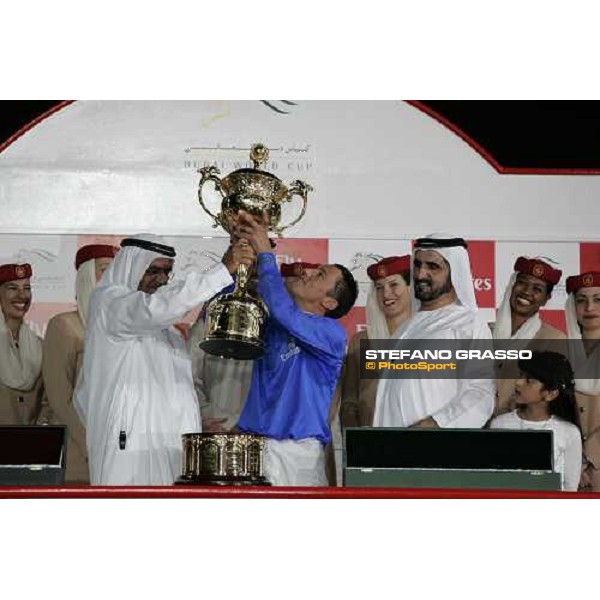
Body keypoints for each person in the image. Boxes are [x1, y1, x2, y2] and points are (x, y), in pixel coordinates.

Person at [73, 233, 252, 485]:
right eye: (153, 270)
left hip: (170, 447)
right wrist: (221, 271)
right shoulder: (110, 303)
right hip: (129, 446)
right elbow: (157, 308)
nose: (162, 279)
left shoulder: (167, 332)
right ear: (131, 267)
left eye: (167, 272)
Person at [234, 211, 358, 486]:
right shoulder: (274, 324)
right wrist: (241, 254)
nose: (308, 271)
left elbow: (284, 311)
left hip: (298, 456)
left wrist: (265, 252)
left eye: (320, 275)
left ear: (329, 303)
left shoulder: (331, 334)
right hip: (252, 450)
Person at [374, 234, 495, 429]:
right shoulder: (405, 328)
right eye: (418, 265)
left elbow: (481, 393)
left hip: (436, 449)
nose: (421, 274)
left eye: (433, 267)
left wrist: (435, 424)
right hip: (393, 449)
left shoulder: (469, 324)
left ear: (454, 272)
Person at [42, 244, 118, 484]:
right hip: (78, 453)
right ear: (87, 276)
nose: (112, 278)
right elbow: (59, 398)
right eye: (104, 270)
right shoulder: (64, 326)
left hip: (115, 452)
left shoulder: (119, 330)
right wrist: (89, 444)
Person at [490, 351, 582, 492]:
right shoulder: (500, 424)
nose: (518, 382)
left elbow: (570, 488)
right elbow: (493, 478)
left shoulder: (568, 432)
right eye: (520, 375)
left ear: (551, 394)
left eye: (529, 380)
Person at [338, 255, 412, 429]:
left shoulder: (429, 337)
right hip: (371, 446)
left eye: (394, 284)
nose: (386, 294)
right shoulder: (361, 341)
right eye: (379, 287)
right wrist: (358, 442)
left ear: (411, 288)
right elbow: (349, 404)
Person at [493, 256, 566, 415]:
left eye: (537, 289)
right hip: (471, 427)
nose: (526, 292)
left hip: (519, 429)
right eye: (522, 283)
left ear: (546, 299)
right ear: (512, 286)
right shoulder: (482, 331)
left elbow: (549, 392)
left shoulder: (554, 340)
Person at [564, 271, 600, 491]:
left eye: (598, 300)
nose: (589, 308)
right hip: (564, 459)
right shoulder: (558, 346)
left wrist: (590, 459)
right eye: (581, 300)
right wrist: (575, 459)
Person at [0, 263, 45, 425]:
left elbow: (47, 402)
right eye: (12, 288)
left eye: (26, 288)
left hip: (29, 444)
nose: (22, 295)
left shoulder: (40, 346)